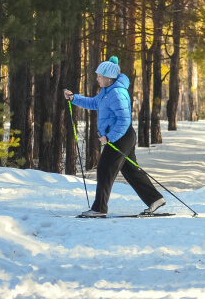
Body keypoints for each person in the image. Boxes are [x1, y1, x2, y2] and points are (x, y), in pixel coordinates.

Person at [63, 56, 165, 218]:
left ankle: (99, 208)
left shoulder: (117, 93)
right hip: (121, 136)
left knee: (105, 169)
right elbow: (93, 104)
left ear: (109, 78)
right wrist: (74, 98)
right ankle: (155, 199)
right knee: (131, 170)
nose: (97, 78)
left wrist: (109, 137)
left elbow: (124, 119)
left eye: (99, 76)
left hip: (121, 136)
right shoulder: (106, 92)